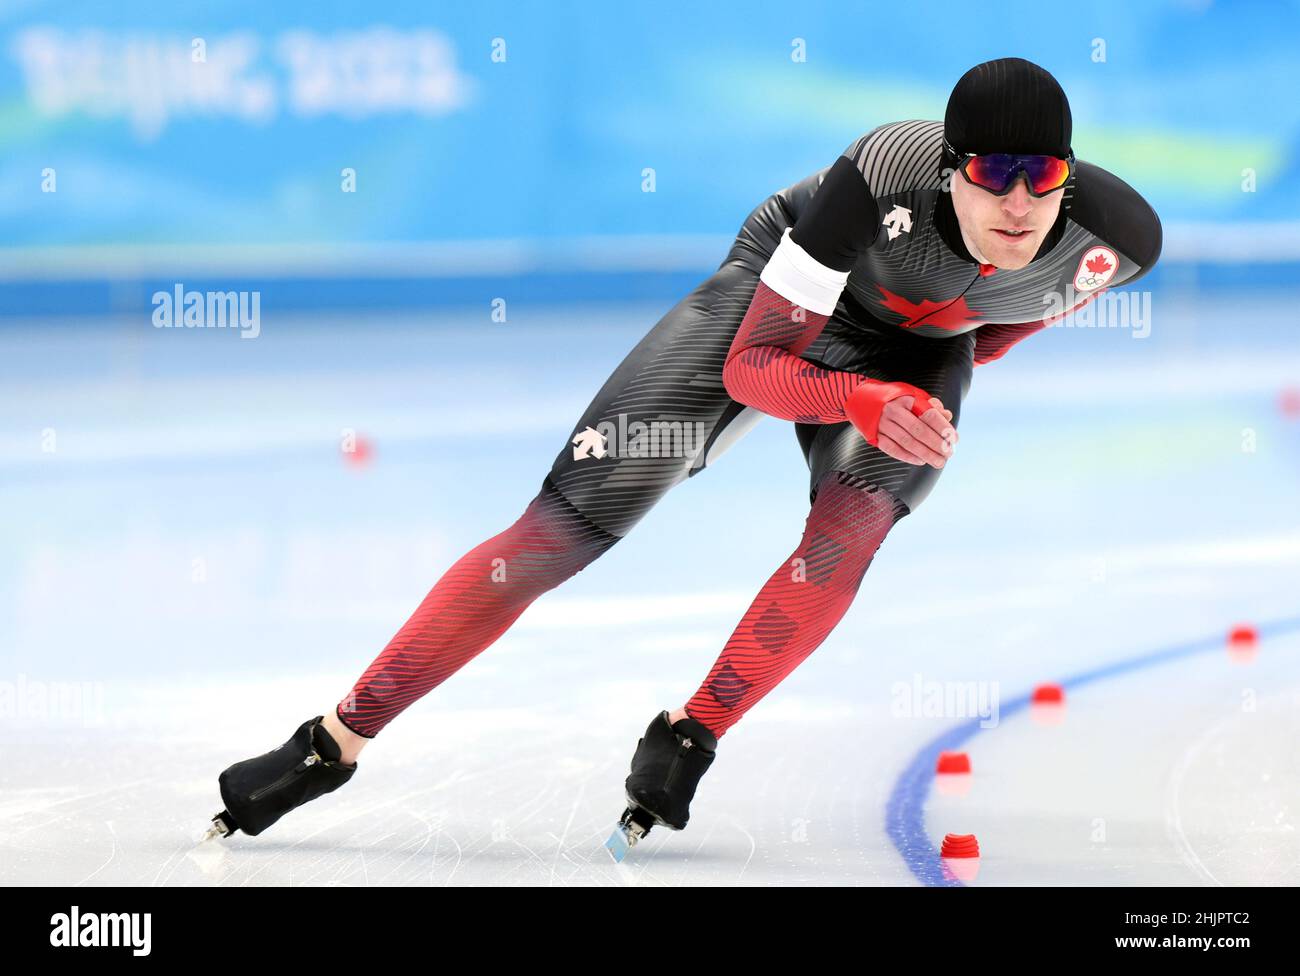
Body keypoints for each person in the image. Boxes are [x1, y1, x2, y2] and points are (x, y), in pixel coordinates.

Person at [206, 57, 1162, 846]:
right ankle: (333, 743)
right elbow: (754, 369)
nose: (1020, 200)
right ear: (952, 168)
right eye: (994, 173)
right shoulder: (875, 181)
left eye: (1043, 176)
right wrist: (859, 396)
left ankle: (691, 732)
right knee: (556, 533)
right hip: (772, 310)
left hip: (918, 347)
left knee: (851, 531)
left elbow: (1009, 322)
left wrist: (922, 375)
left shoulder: (1115, 243)